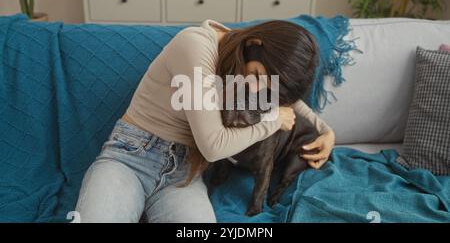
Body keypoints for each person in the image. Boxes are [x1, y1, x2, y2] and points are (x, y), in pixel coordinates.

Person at [75, 19, 335, 223]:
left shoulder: (245, 58)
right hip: (131, 156)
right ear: (254, 43)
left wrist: (326, 132)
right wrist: (272, 121)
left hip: (185, 173)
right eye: (257, 76)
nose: (255, 91)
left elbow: (288, 100)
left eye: (266, 89)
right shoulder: (196, 45)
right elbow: (213, 146)